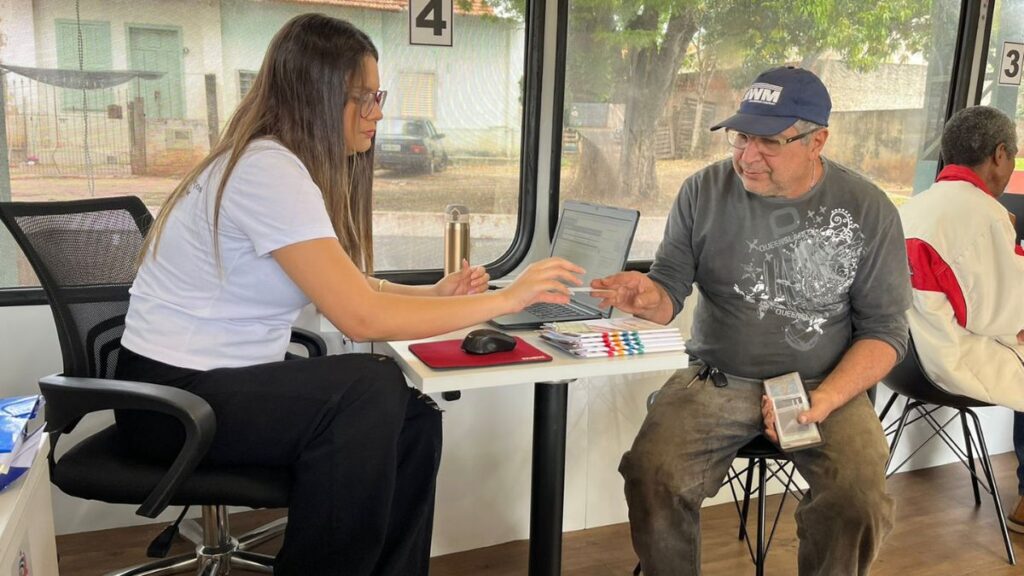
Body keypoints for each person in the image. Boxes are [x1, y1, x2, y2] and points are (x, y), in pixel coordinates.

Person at [114, 13, 584, 576]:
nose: (378, 112)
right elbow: (358, 316)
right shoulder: (267, 170)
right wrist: (510, 299)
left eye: (377, 95)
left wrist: (433, 295)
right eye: (363, 97)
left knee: (413, 419)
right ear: (316, 95)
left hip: (212, 388)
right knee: (370, 385)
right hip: (172, 405)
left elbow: (345, 283)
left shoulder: (276, 164)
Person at [592, 66, 911, 575]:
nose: (747, 156)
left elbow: (886, 332)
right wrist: (645, 295)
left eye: (769, 142)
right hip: (717, 377)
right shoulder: (703, 192)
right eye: (741, 138)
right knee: (652, 474)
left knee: (859, 497)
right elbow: (670, 288)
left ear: (817, 140)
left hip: (825, 383)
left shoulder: (868, 209)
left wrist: (823, 400)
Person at [897, 105, 1024, 533]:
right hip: (951, 360)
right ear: (1000, 154)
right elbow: (1002, 314)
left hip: (904, 364)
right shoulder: (981, 215)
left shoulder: (914, 207)